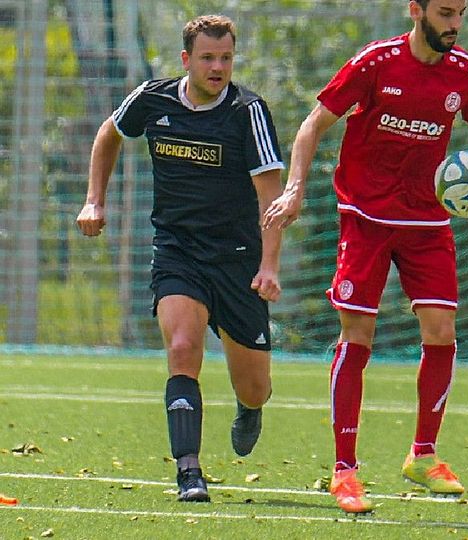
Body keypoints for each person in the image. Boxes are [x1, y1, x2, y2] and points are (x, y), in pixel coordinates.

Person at [261, 0, 468, 514]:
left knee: (442, 330)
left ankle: (423, 455)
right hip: (364, 216)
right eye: (445, 12)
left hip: (427, 222)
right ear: (416, 10)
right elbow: (313, 124)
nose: (454, 24)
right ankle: (345, 470)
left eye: (461, 14)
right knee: (357, 334)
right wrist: (295, 188)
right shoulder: (376, 63)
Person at [76, 14, 285, 503]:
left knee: (255, 387)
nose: (218, 68)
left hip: (238, 262)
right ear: (186, 60)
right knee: (184, 350)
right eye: (209, 58)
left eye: (226, 58)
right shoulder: (153, 98)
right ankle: (189, 472)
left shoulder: (247, 111)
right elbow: (109, 133)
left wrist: (269, 266)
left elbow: (270, 197)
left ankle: (249, 407)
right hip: (178, 252)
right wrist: (94, 199)